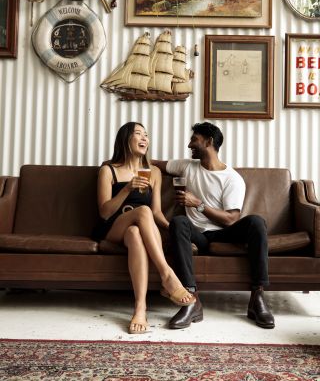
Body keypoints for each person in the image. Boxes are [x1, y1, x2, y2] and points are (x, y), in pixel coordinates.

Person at [153, 122, 275, 330]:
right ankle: (191, 300)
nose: (190, 144)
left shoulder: (232, 178)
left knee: (256, 222)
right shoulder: (186, 166)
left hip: (225, 233)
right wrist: (118, 161)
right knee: (179, 221)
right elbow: (153, 163)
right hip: (198, 235)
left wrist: (198, 204)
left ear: (209, 142)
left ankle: (257, 297)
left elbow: (230, 219)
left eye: (194, 140)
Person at [91, 122, 195, 335]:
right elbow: (104, 212)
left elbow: (157, 212)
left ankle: (140, 308)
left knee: (136, 232)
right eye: (138, 134)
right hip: (113, 227)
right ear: (125, 139)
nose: (144, 138)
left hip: (139, 228)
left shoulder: (153, 172)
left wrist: (175, 232)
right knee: (143, 212)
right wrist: (127, 188)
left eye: (146, 135)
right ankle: (167, 275)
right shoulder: (108, 170)